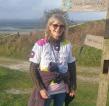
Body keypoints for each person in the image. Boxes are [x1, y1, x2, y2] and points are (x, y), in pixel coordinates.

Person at [28, 13, 77, 106]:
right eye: (55, 25)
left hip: (62, 90)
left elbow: (72, 66)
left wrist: (73, 86)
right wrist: (41, 89)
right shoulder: (40, 44)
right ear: (49, 26)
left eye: (61, 26)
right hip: (46, 90)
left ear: (64, 28)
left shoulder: (67, 44)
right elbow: (32, 69)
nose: (58, 28)